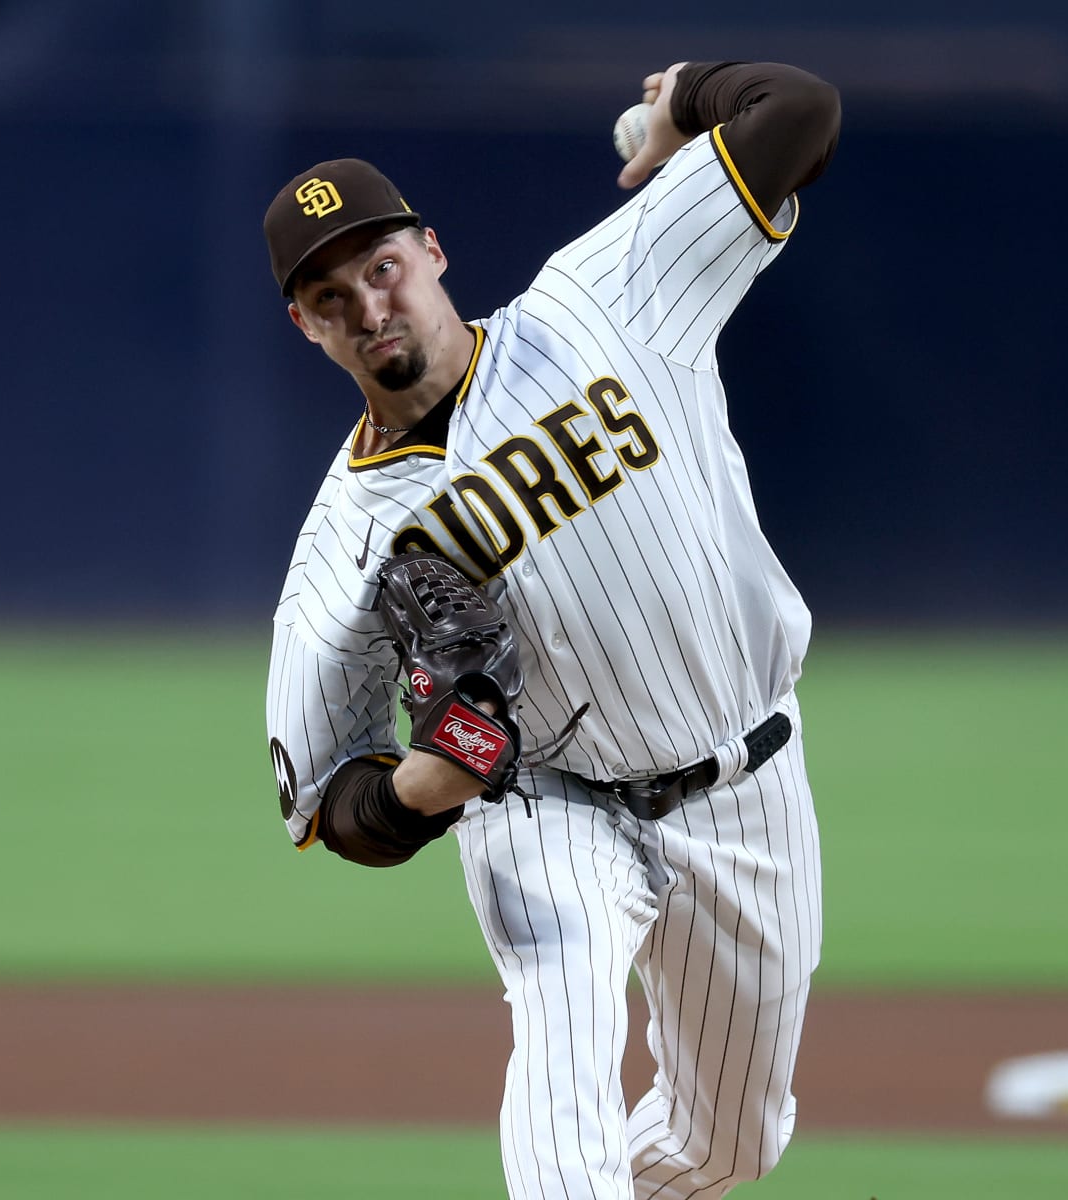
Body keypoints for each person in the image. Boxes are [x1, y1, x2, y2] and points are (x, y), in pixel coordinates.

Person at [262, 60, 840, 1199]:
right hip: (549, 803)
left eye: (381, 268)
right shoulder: (342, 545)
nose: (370, 309)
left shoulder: (604, 297)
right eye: (332, 297)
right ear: (305, 325)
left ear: (432, 252)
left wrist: (685, 104)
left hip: (748, 779)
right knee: (562, 1036)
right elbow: (328, 802)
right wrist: (428, 786)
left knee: (730, 1144)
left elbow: (800, 112)